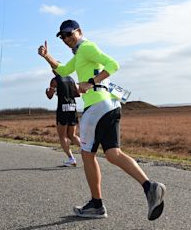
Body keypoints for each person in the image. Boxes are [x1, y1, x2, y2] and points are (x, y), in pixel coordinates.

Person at [38, 19, 166, 221]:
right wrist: (47, 57)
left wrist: (90, 82)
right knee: (114, 154)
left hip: (97, 108)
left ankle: (96, 205)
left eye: (69, 34)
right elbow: (63, 70)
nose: (66, 39)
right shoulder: (80, 54)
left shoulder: (87, 47)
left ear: (79, 32)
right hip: (110, 105)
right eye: (62, 37)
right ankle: (150, 187)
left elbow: (113, 64)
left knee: (87, 154)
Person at [46, 70, 81, 167]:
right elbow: (78, 94)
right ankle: (88, 151)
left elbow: (50, 95)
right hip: (73, 107)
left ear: (54, 70)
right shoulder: (71, 79)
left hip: (63, 108)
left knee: (62, 136)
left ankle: (71, 159)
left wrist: (48, 91)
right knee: (72, 135)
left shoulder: (54, 80)